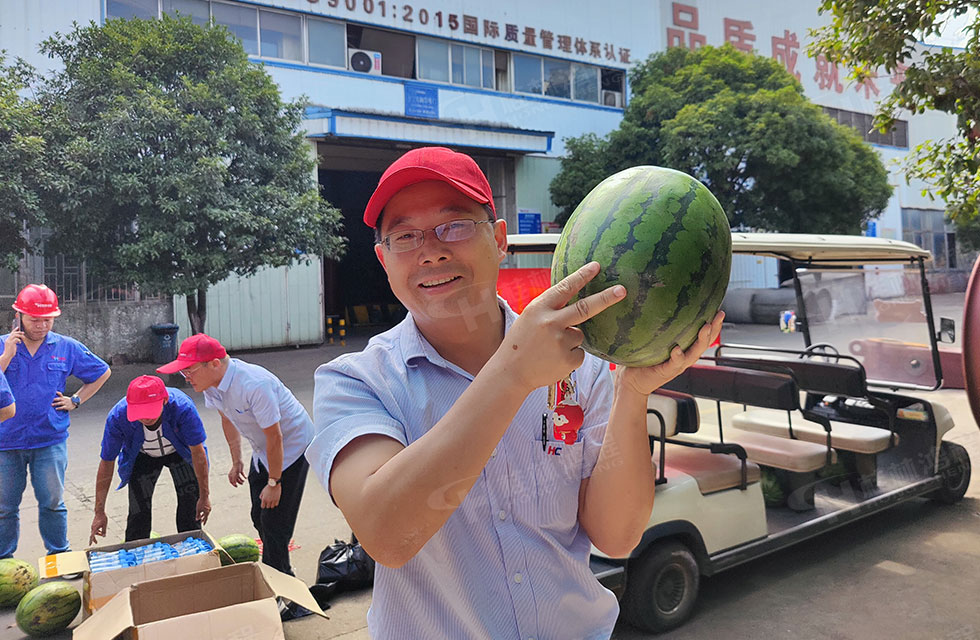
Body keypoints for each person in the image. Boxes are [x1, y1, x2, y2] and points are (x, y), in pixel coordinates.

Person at [306, 146, 723, 639]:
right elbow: (388, 536)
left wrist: (631, 390)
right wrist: (512, 375)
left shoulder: (581, 367)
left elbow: (617, 536)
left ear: (499, 239)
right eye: (405, 236)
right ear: (383, 258)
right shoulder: (354, 382)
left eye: (454, 225)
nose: (432, 249)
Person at [156, 334, 313, 577]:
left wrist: (275, 482)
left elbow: (276, 437)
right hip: (263, 449)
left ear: (215, 364)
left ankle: (287, 590)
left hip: (291, 448)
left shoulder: (254, 384)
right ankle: (278, 565)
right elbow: (227, 419)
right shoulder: (211, 385)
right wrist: (237, 459)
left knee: (275, 524)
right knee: (258, 515)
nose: (186, 378)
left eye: (190, 370)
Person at [0, 284, 111, 559]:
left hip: (49, 438)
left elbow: (101, 372)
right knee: (4, 507)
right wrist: (5, 358)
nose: (41, 325)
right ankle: (4, 561)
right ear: (18, 316)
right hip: (5, 440)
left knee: (52, 502)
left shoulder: (66, 347)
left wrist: (76, 400)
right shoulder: (2, 345)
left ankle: (59, 554)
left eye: (47, 319)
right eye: (35, 319)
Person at [90, 375, 211, 544]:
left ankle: (193, 554)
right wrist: (99, 512)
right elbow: (107, 462)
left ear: (164, 401)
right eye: (140, 412)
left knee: (190, 510)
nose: (146, 417)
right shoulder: (118, 417)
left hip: (179, 453)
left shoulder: (183, 408)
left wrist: (204, 496)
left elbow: (198, 454)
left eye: (150, 411)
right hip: (142, 455)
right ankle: (136, 559)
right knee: (138, 512)